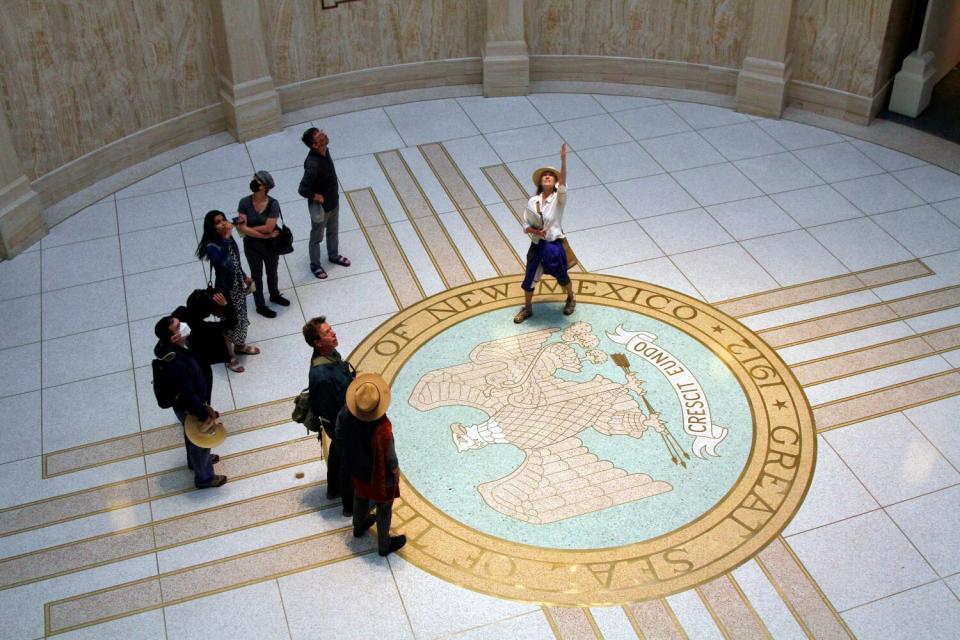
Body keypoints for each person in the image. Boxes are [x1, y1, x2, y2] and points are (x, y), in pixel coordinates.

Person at [154, 316, 227, 488]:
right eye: (179, 326)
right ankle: (205, 478)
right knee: (200, 439)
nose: (184, 325)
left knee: (191, 434)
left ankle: (195, 463)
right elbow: (187, 393)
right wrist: (203, 414)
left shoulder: (173, 349)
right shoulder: (176, 362)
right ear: (173, 337)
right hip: (191, 407)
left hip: (189, 405)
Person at [339, 373, 406, 556]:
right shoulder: (383, 429)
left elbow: (339, 436)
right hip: (379, 476)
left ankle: (358, 527)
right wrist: (395, 472)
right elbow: (390, 458)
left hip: (357, 470)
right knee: (384, 507)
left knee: (360, 496)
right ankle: (384, 545)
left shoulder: (345, 413)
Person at [514, 143, 576, 324]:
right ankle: (527, 308)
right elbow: (525, 223)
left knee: (561, 275)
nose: (547, 177)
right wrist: (533, 231)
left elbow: (563, 182)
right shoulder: (533, 200)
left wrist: (563, 160)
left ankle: (571, 297)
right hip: (537, 244)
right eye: (545, 176)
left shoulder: (559, 198)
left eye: (551, 176)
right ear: (540, 182)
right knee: (529, 277)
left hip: (553, 245)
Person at [303, 316, 356, 515]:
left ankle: (333, 489)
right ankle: (350, 507)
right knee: (349, 461)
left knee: (337, 452)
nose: (333, 333)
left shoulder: (331, 354)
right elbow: (328, 411)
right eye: (327, 333)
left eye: (331, 329)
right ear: (317, 342)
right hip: (341, 423)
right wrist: (344, 431)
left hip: (342, 418)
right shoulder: (322, 375)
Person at [196, 210, 258, 373]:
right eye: (218, 222)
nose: (223, 224)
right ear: (212, 227)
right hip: (225, 291)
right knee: (228, 323)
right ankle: (229, 357)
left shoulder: (229, 240)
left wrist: (244, 276)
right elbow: (222, 261)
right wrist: (226, 237)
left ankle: (240, 345)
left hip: (237, 285)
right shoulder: (212, 246)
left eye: (223, 220)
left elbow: (235, 262)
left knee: (241, 317)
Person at [298, 127, 350, 280]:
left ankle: (333, 255)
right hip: (321, 208)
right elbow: (302, 189)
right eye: (320, 136)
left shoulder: (326, 150)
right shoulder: (313, 164)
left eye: (322, 132)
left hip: (333, 202)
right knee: (316, 237)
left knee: (333, 231)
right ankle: (315, 264)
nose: (325, 136)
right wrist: (315, 196)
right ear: (314, 145)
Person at [237, 170, 288, 318]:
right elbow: (243, 228)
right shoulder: (244, 202)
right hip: (252, 247)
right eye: (254, 179)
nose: (254, 182)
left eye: (258, 181)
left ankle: (274, 294)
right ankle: (260, 304)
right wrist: (264, 236)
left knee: (272, 273)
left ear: (265, 186)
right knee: (256, 276)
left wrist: (248, 229)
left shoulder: (273, 203)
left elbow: (269, 227)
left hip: (271, 247)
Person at [172, 288, 237, 389]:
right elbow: (232, 322)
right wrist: (226, 306)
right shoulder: (203, 328)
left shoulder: (179, 313)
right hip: (200, 362)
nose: (218, 313)